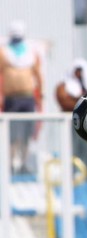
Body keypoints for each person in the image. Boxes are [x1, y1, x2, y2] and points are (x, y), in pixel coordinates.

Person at [0, 20, 43, 174]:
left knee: (26, 133)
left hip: (27, 97)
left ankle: (23, 163)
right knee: (12, 133)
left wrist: (41, 96)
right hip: (11, 98)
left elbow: (37, 74)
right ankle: (10, 164)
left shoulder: (30, 52)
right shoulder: (4, 52)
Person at [55, 58, 87, 180]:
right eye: (77, 71)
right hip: (72, 125)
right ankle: (72, 176)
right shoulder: (64, 85)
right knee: (73, 150)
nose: (79, 74)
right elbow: (64, 101)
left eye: (81, 71)